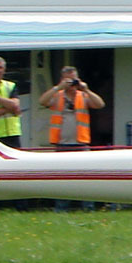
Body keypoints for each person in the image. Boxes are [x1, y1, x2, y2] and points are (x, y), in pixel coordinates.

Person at [39, 66, 106, 212]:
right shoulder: (57, 96)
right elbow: (42, 101)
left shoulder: (83, 96)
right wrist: (58, 87)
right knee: (62, 179)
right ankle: (61, 208)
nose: (72, 83)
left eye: (74, 79)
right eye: (68, 80)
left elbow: (100, 104)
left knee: (85, 178)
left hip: (81, 143)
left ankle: (88, 208)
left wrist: (86, 89)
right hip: (62, 144)